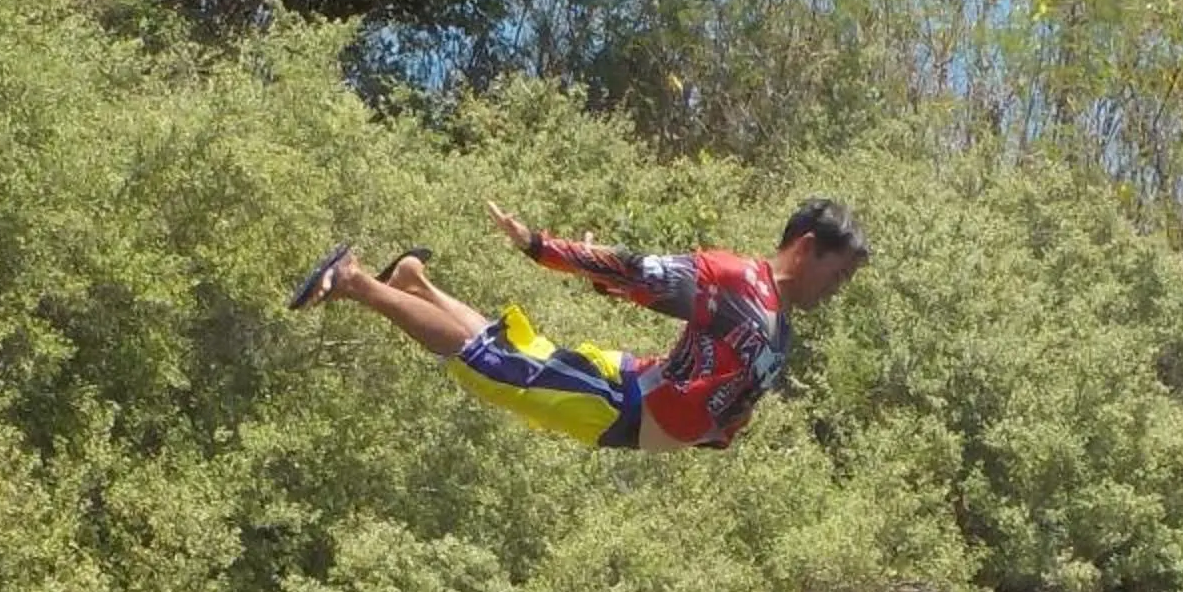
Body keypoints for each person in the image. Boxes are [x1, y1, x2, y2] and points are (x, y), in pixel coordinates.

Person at [288, 198, 867, 451]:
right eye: (836, 275)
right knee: (488, 364)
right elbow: (640, 272)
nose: (835, 290)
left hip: (631, 399)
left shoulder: (781, 327)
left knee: (510, 355)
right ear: (807, 248)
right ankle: (357, 281)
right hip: (624, 405)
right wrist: (542, 247)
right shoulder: (739, 281)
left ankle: (415, 281)